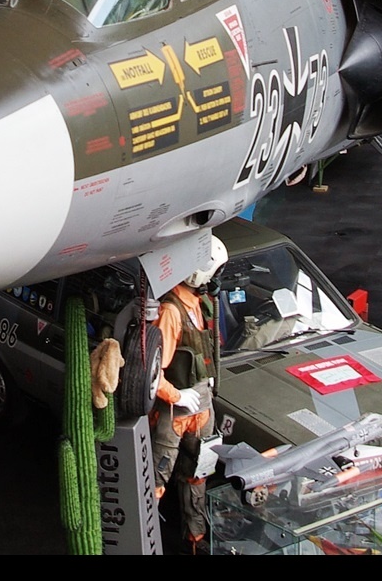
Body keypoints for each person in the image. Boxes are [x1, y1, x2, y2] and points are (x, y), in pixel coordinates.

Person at [150, 237, 226, 555]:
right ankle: (143, 540)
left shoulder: (201, 305)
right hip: (175, 410)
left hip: (201, 406)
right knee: (155, 481)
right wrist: (176, 396)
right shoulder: (171, 311)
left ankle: (194, 540)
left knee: (198, 473)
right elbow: (153, 372)